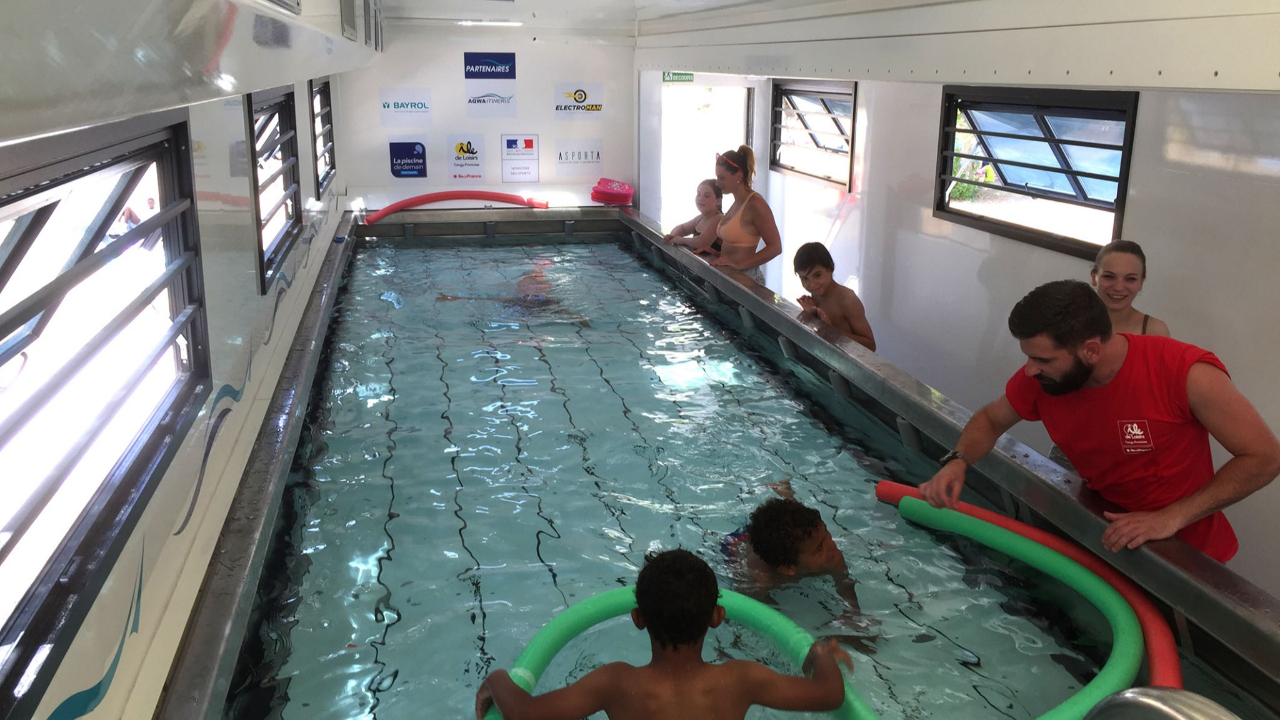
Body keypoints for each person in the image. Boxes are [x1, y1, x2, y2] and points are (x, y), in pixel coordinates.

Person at [919, 280, 1280, 562]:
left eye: (1043, 359)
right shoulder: (1041, 380)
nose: (1030, 369)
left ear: (1090, 349)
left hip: (1190, 550)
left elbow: (1264, 456)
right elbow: (990, 419)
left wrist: (1170, 517)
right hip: (1109, 535)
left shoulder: (1184, 372)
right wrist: (958, 461)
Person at [474, 548, 851, 720]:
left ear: (638, 618)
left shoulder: (616, 683)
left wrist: (497, 678)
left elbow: (523, 713)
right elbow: (830, 694)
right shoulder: (740, 679)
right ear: (717, 617)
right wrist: (819, 655)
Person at [711, 145, 782, 285]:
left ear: (738, 175)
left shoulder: (755, 204)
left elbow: (775, 247)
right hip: (730, 278)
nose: (717, 183)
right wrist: (716, 254)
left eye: (722, 178)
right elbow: (735, 248)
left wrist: (740, 264)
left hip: (746, 280)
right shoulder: (737, 202)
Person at [793, 242, 875, 351]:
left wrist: (831, 331)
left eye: (817, 275)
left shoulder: (847, 300)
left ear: (831, 268)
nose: (812, 284)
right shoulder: (816, 295)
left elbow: (870, 345)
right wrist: (810, 315)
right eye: (805, 279)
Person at [1090, 240, 1170, 337]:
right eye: (1109, 277)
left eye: (1130, 279)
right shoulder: (1068, 321)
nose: (1118, 287)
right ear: (1094, 277)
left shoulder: (1155, 331)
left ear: (1141, 282)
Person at [663, 179, 724, 255]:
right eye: (698, 194)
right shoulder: (700, 218)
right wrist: (673, 236)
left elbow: (702, 242)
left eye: (707, 196)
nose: (700, 198)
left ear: (718, 201)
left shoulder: (719, 218)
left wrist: (681, 240)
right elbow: (683, 228)